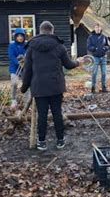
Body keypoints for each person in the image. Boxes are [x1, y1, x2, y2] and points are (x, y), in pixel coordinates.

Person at [20, 21, 82, 151]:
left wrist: (24, 87)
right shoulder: (59, 46)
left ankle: (41, 141)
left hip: (39, 86)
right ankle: (60, 140)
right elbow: (68, 64)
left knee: (42, 115)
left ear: (40, 30)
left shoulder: (31, 47)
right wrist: (78, 62)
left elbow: (27, 70)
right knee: (57, 113)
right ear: (52, 31)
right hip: (56, 86)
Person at [87, 22, 110, 93]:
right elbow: (88, 46)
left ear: (101, 28)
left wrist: (105, 48)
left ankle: (104, 87)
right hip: (95, 57)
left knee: (104, 73)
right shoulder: (91, 37)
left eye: (99, 27)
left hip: (103, 57)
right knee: (94, 73)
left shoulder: (104, 37)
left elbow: (108, 46)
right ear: (94, 28)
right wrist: (94, 49)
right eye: (96, 27)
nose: (98, 29)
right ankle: (93, 87)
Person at [8, 27, 27, 110]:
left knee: (27, 84)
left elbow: (28, 55)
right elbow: (11, 56)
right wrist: (18, 62)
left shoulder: (27, 45)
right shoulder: (12, 45)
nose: (20, 37)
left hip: (25, 68)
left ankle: (27, 101)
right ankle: (13, 100)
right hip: (14, 68)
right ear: (15, 37)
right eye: (18, 36)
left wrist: (25, 62)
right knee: (14, 83)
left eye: (22, 36)